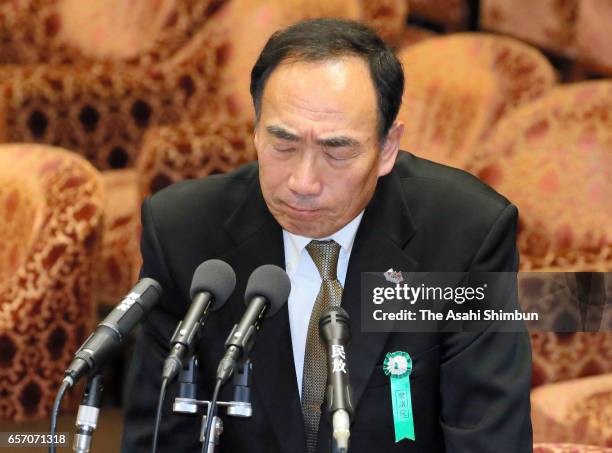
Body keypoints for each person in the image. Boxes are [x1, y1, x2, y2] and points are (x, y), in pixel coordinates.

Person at [121, 18, 533, 453]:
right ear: (256, 129)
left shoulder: (464, 235)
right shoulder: (185, 232)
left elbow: (490, 439)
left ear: (387, 147)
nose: (303, 181)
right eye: (283, 145)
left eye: (336, 151)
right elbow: (158, 437)